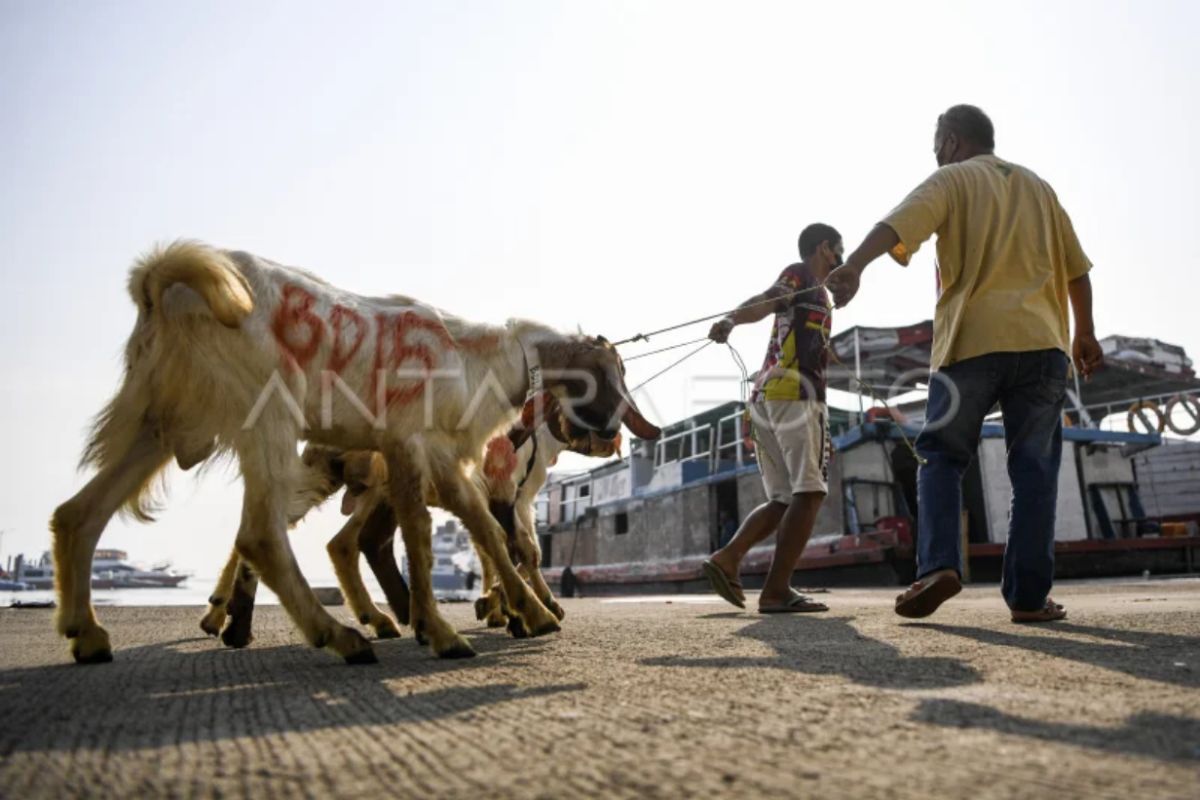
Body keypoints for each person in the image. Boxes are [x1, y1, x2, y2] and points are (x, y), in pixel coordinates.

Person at [826, 104, 1103, 623]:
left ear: (952, 141)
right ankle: (1028, 597)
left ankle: (936, 568)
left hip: (971, 342)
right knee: (1035, 471)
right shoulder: (1039, 188)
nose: (936, 155)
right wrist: (1084, 332)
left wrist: (854, 266)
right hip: (1043, 344)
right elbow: (1078, 269)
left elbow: (896, 224)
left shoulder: (952, 179)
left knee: (942, 455)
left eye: (937, 146)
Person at [702, 223, 843, 613]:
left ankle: (727, 558)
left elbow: (796, 334)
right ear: (824, 248)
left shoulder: (819, 297)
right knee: (810, 492)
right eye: (838, 251)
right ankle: (777, 590)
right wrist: (731, 320)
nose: (841, 260)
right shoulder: (801, 276)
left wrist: (829, 354)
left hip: (765, 399)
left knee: (782, 498)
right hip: (796, 396)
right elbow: (767, 300)